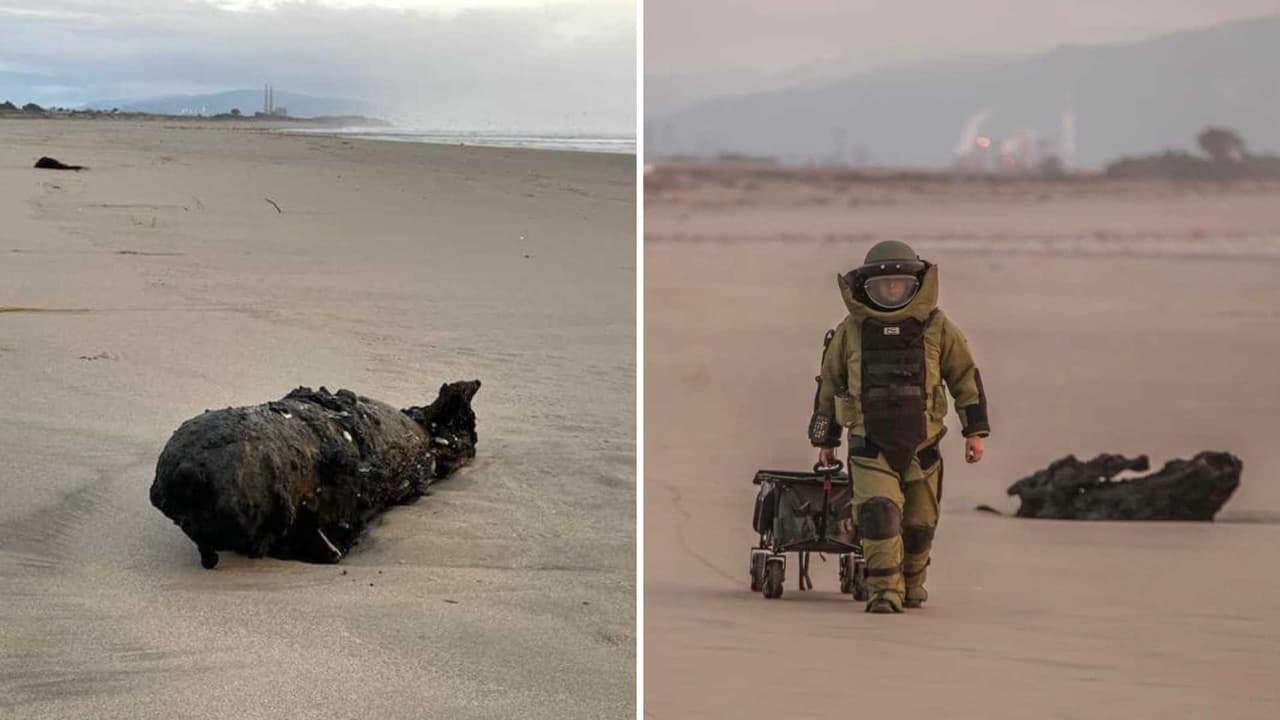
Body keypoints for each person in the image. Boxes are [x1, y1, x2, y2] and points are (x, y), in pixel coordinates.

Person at [810, 240, 990, 613]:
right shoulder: (850, 331)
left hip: (923, 444)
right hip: (868, 442)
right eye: (883, 287)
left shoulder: (939, 328)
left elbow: (965, 379)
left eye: (900, 285)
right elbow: (829, 384)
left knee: (919, 525)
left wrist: (975, 432)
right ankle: (883, 592)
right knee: (878, 514)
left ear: (916, 285)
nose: (892, 292)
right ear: (867, 288)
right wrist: (826, 441)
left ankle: (911, 585)